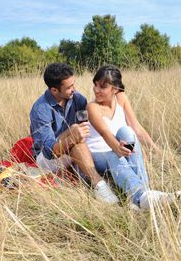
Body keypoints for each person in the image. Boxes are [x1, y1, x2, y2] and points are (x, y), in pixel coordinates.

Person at [86, 64, 179, 210]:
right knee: (113, 155)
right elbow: (104, 133)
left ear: (115, 88)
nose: (96, 90)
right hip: (98, 154)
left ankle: (144, 195)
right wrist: (117, 148)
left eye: (102, 87)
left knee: (127, 131)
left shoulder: (121, 98)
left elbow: (137, 129)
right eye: (95, 84)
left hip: (121, 147)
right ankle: (141, 196)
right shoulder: (92, 107)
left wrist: (160, 153)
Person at [29, 63, 119, 204]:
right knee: (75, 139)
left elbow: (89, 126)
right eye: (69, 87)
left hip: (76, 149)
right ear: (54, 90)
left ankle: (111, 184)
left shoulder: (78, 99)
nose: (74, 89)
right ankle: (100, 186)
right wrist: (72, 136)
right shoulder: (40, 109)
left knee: (84, 141)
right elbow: (49, 152)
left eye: (73, 84)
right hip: (47, 158)